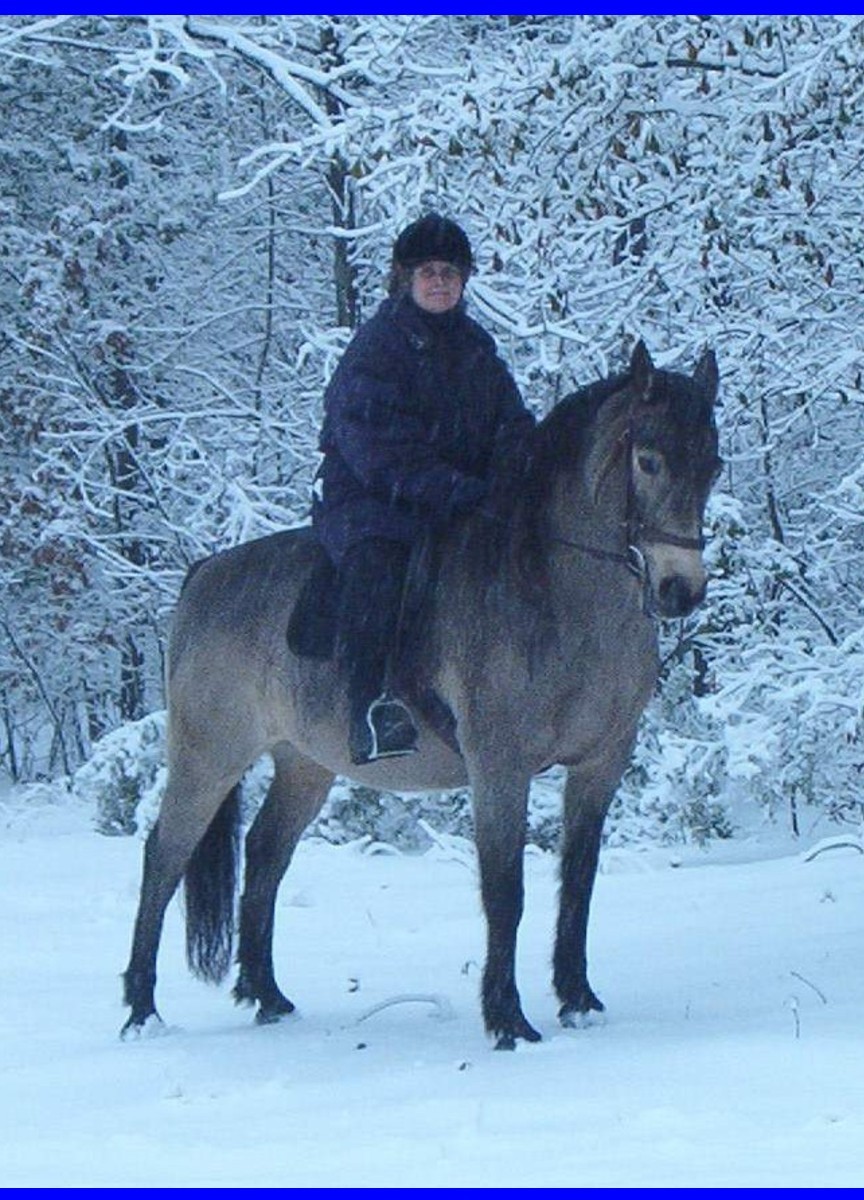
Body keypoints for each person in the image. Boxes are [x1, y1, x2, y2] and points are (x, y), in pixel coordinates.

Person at [312, 213, 536, 766]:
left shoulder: (476, 349)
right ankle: (369, 707)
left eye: (450, 272)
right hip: (372, 500)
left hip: (455, 500)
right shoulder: (378, 347)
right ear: (406, 278)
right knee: (382, 567)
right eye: (428, 272)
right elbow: (375, 446)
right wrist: (452, 489)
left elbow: (510, 422)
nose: (440, 282)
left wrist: (525, 466)